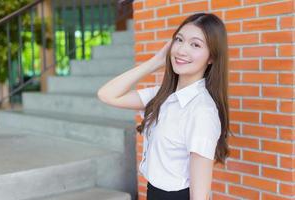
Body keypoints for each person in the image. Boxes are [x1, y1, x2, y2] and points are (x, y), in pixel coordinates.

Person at [97, 12, 232, 200]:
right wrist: (155, 62)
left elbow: (200, 195)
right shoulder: (161, 94)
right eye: (179, 40)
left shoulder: (202, 111)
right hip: (154, 192)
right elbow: (107, 94)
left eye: (195, 44)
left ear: (211, 57)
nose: (182, 50)